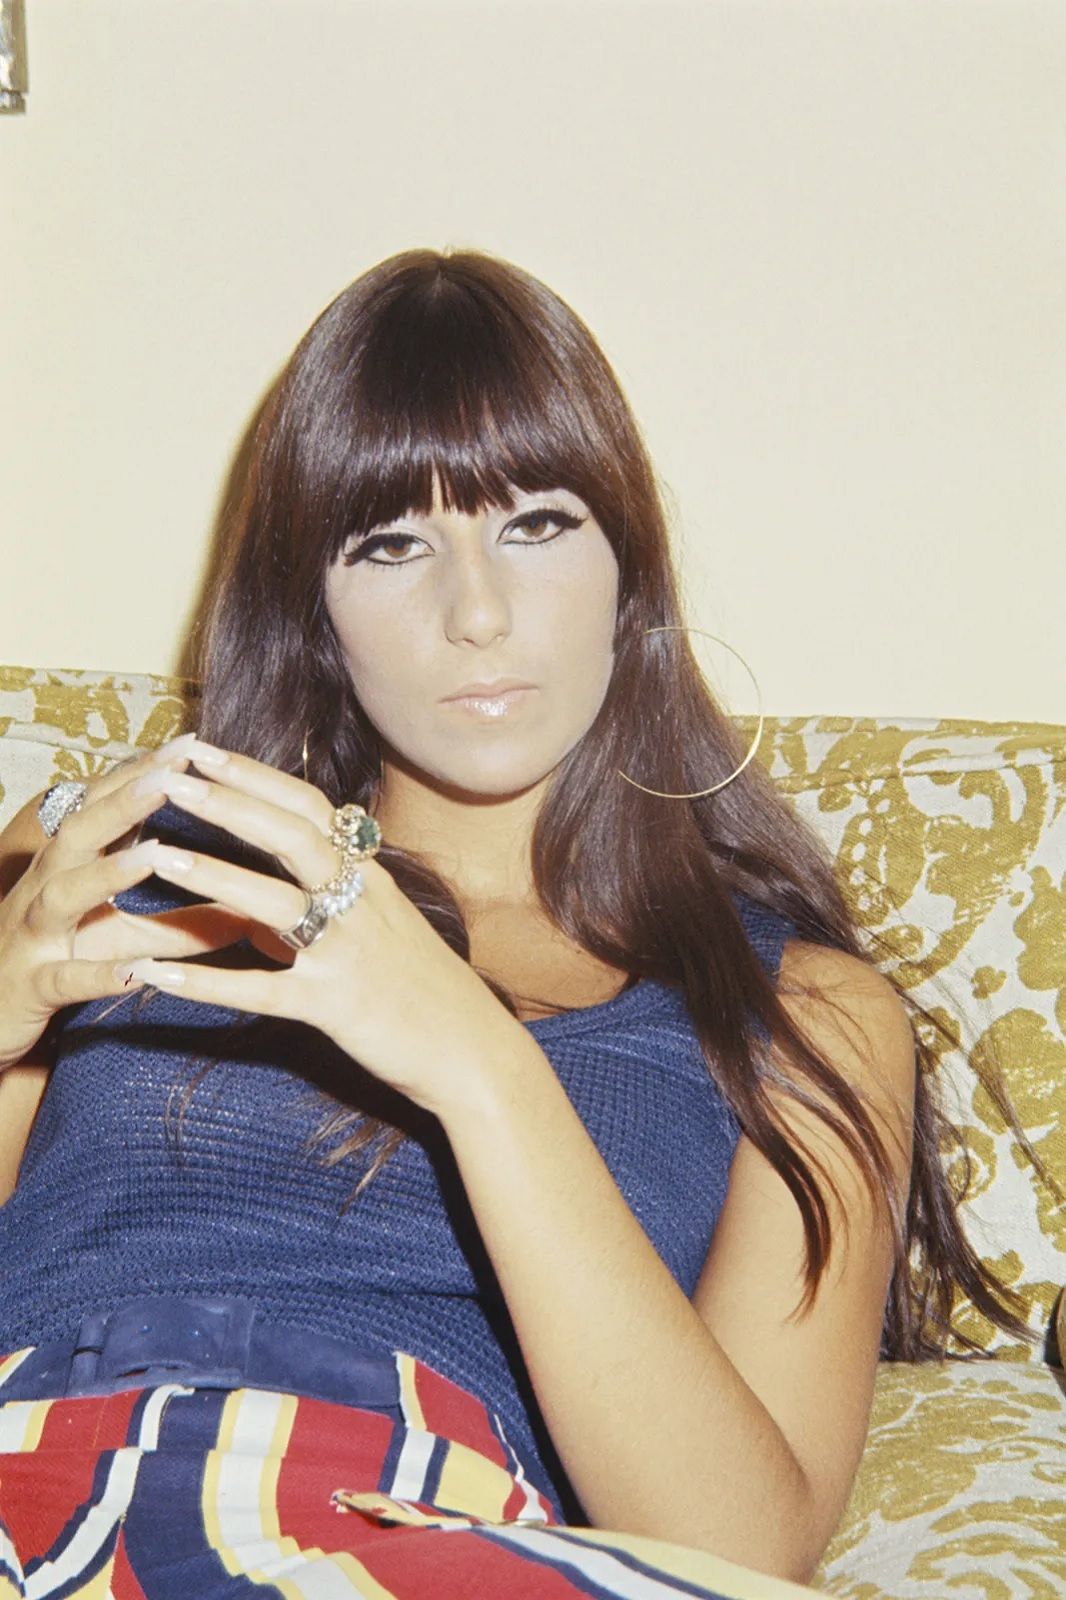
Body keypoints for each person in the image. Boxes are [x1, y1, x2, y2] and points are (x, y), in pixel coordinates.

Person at [0, 248, 1040, 1600]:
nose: (477, 614)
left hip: (421, 1533)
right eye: (391, 546)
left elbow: (735, 1550)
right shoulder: (100, 868)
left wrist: (478, 1066)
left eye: (537, 525)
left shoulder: (805, 1014)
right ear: (313, 607)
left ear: (629, 569)